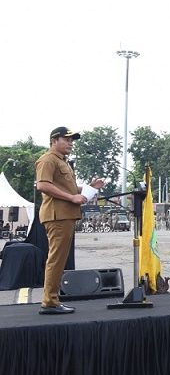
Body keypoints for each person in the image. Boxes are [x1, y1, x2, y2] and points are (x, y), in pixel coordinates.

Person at [34, 127, 105, 315]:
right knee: (56, 259)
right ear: (54, 140)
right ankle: (49, 302)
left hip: (65, 215)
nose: (71, 143)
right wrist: (72, 198)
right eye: (67, 140)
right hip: (57, 215)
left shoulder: (62, 162)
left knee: (59, 259)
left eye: (72, 140)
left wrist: (89, 188)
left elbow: (69, 188)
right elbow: (42, 185)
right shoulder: (48, 159)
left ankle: (52, 299)